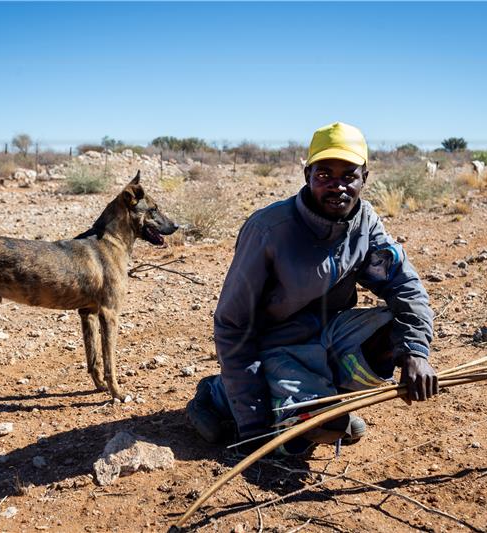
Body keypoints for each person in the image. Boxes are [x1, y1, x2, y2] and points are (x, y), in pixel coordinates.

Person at [187, 122, 438, 454]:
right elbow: (233, 325)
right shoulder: (269, 230)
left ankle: (320, 398)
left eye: (348, 175)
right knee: (324, 429)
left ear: (365, 177)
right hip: (276, 347)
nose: (337, 187)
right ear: (307, 175)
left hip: (330, 336)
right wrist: (253, 422)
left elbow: (405, 286)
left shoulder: (366, 223)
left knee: (396, 334)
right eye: (324, 175)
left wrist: (414, 352)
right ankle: (218, 395)